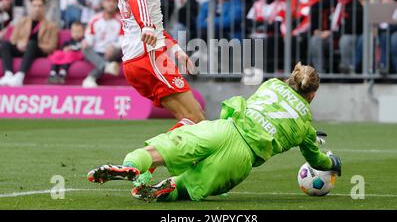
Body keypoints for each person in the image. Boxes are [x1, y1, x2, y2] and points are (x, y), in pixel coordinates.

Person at [87, 62, 342, 202]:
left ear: (291, 79)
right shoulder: (305, 127)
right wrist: (332, 162)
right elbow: (315, 159)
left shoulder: (271, 85)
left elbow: (278, 106)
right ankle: (166, 188)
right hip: (240, 159)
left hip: (223, 129)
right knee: (187, 186)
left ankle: (131, 164)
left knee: (161, 150)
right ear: (314, 94)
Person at [115, 0, 205, 124]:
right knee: (196, 119)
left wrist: (175, 49)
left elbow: (153, 18)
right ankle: (145, 156)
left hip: (140, 56)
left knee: (193, 116)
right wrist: (146, 25)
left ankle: (150, 155)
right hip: (148, 55)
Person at [0, 0, 58, 87]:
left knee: (31, 44)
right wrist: (19, 44)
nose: (37, 9)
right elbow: (13, 39)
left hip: (38, 50)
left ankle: (20, 76)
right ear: (30, 7)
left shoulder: (51, 26)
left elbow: (52, 46)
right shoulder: (22, 21)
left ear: (44, 7)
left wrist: (33, 45)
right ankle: (8, 74)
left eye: (39, 6)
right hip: (22, 48)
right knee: (5, 44)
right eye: (34, 6)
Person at [81, 0, 123, 88]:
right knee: (85, 47)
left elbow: (122, 41)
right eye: (108, 1)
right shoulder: (94, 19)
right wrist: (86, 42)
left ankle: (91, 77)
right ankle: (107, 66)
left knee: (117, 51)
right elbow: (89, 39)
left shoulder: (121, 21)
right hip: (96, 51)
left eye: (114, 1)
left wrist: (113, 47)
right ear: (103, 3)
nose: (111, 4)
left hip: (111, 52)